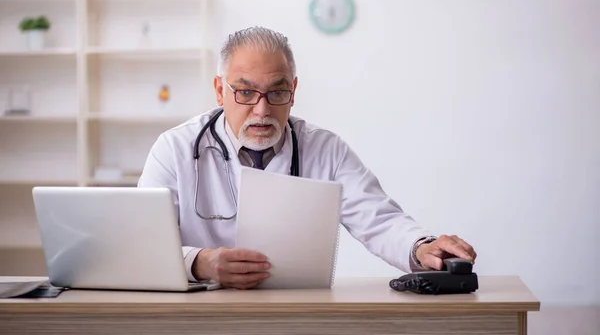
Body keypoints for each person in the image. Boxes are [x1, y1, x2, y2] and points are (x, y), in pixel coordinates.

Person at [138, 26, 477, 290]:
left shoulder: (325, 149)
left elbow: (379, 220)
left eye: (277, 92)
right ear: (219, 90)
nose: (262, 109)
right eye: (245, 92)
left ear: (294, 91)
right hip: (202, 315)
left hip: (296, 312)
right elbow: (143, 245)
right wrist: (200, 263)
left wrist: (421, 247)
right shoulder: (175, 149)